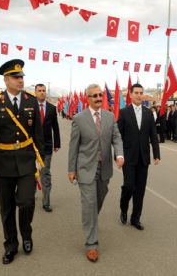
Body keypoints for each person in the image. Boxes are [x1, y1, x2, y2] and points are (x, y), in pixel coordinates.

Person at [0, 59, 45, 264]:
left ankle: (26, 234)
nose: (20, 80)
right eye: (16, 77)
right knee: (6, 207)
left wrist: (39, 159)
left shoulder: (31, 100)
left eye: (22, 77)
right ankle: (10, 244)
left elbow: (38, 134)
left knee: (26, 201)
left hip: (26, 161)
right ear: (6, 80)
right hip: (3, 162)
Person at [68, 84, 123, 262]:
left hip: (104, 167)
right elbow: (73, 146)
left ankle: (91, 220)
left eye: (100, 95)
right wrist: (71, 169)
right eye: (94, 96)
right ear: (88, 99)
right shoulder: (79, 118)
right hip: (85, 168)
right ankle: (91, 244)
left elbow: (116, 137)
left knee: (99, 199)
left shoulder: (109, 116)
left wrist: (119, 154)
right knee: (89, 203)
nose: (99, 98)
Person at [118, 83, 160, 231]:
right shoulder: (124, 113)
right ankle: (123, 208)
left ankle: (135, 218)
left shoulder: (148, 113)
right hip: (128, 157)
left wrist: (156, 154)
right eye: (136, 92)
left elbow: (153, 135)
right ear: (130, 94)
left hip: (143, 157)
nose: (139, 95)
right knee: (129, 186)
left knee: (140, 190)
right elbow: (118, 137)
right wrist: (118, 155)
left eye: (141, 93)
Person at [35, 84, 61, 212]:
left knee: (45, 173)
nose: (41, 93)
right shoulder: (30, 107)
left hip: (47, 147)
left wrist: (57, 143)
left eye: (43, 91)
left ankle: (46, 202)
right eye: (39, 91)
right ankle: (31, 194)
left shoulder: (51, 108)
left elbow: (55, 128)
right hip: (31, 147)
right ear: (35, 92)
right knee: (32, 172)